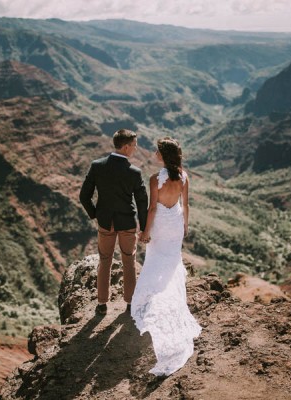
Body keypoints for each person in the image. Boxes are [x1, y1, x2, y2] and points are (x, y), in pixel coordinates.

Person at [130, 137, 202, 376]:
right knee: (171, 263)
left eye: (157, 151)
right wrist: (185, 225)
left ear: (163, 155)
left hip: (160, 224)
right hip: (175, 224)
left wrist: (146, 232)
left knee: (154, 261)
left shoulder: (154, 179)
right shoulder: (184, 176)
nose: (154, 153)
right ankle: (170, 297)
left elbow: (152, 208)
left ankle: (153, 298)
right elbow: (186, 204)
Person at [79, 129, 148, 315]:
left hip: (105, 222)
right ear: (125, 147)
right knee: (129, 261)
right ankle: (130, 304)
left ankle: (102, 304)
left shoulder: (97, 166)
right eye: (134, 145)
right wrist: (144, 227)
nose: (135, 148)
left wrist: (95, 214)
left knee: (104, 260)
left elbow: (84, 196)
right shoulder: (134, 172)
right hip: (127, 223)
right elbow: (142, 202)